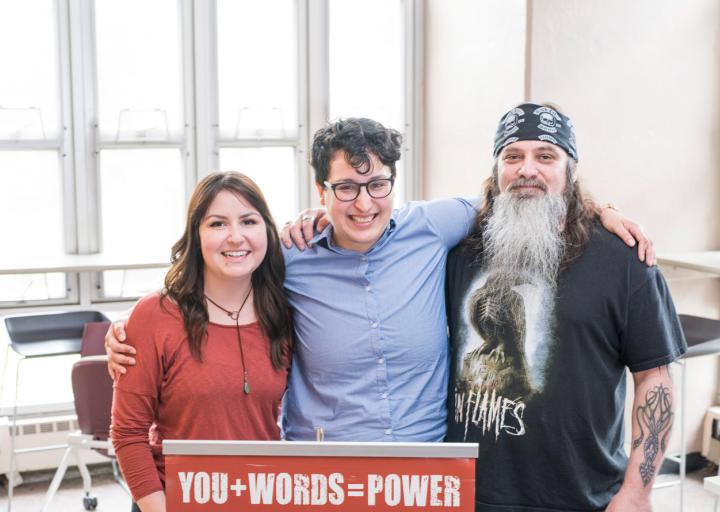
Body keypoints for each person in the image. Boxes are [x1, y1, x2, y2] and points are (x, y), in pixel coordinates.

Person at [107, 118, 653, 444]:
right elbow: (215, 266)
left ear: (395, 182)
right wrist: (130, 330)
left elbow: (525, 194)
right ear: (320, 189)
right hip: (324, 472)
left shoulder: (434, 225)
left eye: (377, 185)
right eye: (345, 188)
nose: (364, 203)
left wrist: (599, 209)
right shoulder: (289, 253)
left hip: (425, 469)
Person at [445, 102, 687, 512]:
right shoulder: (458, 252)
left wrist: (637, 493)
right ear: (496, 170)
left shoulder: (623, 259)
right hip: (476, 509)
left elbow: (654, 379)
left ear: (571, 171)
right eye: (512, 156)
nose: (527, 169)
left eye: (546, 156)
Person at [110, 171, 292, 512]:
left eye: (248, 221)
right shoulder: (154, 316)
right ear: (196, 235)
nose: (235, 237)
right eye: (217, 223)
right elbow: (127, 434)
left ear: (267, 230)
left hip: (256, 510)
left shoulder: (283, 311)